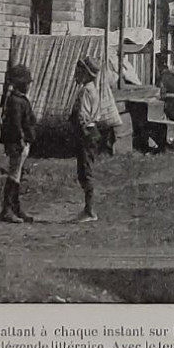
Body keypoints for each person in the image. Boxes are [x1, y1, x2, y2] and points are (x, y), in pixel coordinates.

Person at [0, 64, 37, 224]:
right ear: (22, 84)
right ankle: (8, 209)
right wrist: (21, 139)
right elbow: (16, 124)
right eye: (27, 83)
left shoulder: (19, 99)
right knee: (14, 175)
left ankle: (16, 207)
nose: (29, 86)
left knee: (17, 175)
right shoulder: (15, 101)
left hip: (21, 143)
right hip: (17, 143)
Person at [69, 54, 102, 222]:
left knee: (85, 170)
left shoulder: (85, 91)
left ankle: (90, 210)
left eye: (79, 70)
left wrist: (80, 130)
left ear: (86, 73)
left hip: (86, 133)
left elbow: (82, 115)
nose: (76, 73)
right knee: (85, 169)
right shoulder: (93, 90)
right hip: (92, 132)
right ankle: (88, 209)